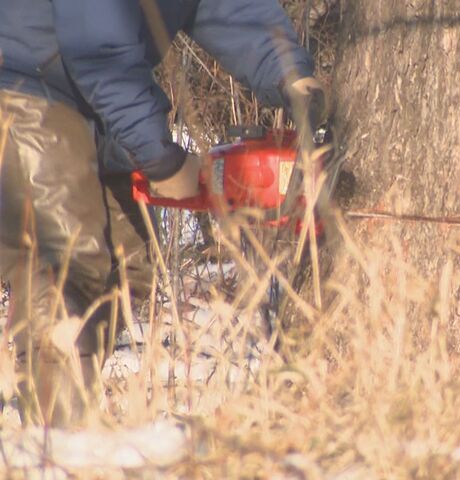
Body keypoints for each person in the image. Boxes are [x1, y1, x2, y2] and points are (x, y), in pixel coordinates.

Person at [0, 0, 326, 427]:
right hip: (24, 81)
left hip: (93, 90)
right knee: (66, 261)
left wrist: (289, 73)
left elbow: (228, 7)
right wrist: (163, 161)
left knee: (130, 264)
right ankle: (57, 439)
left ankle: (70, 402)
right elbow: (99, 47)